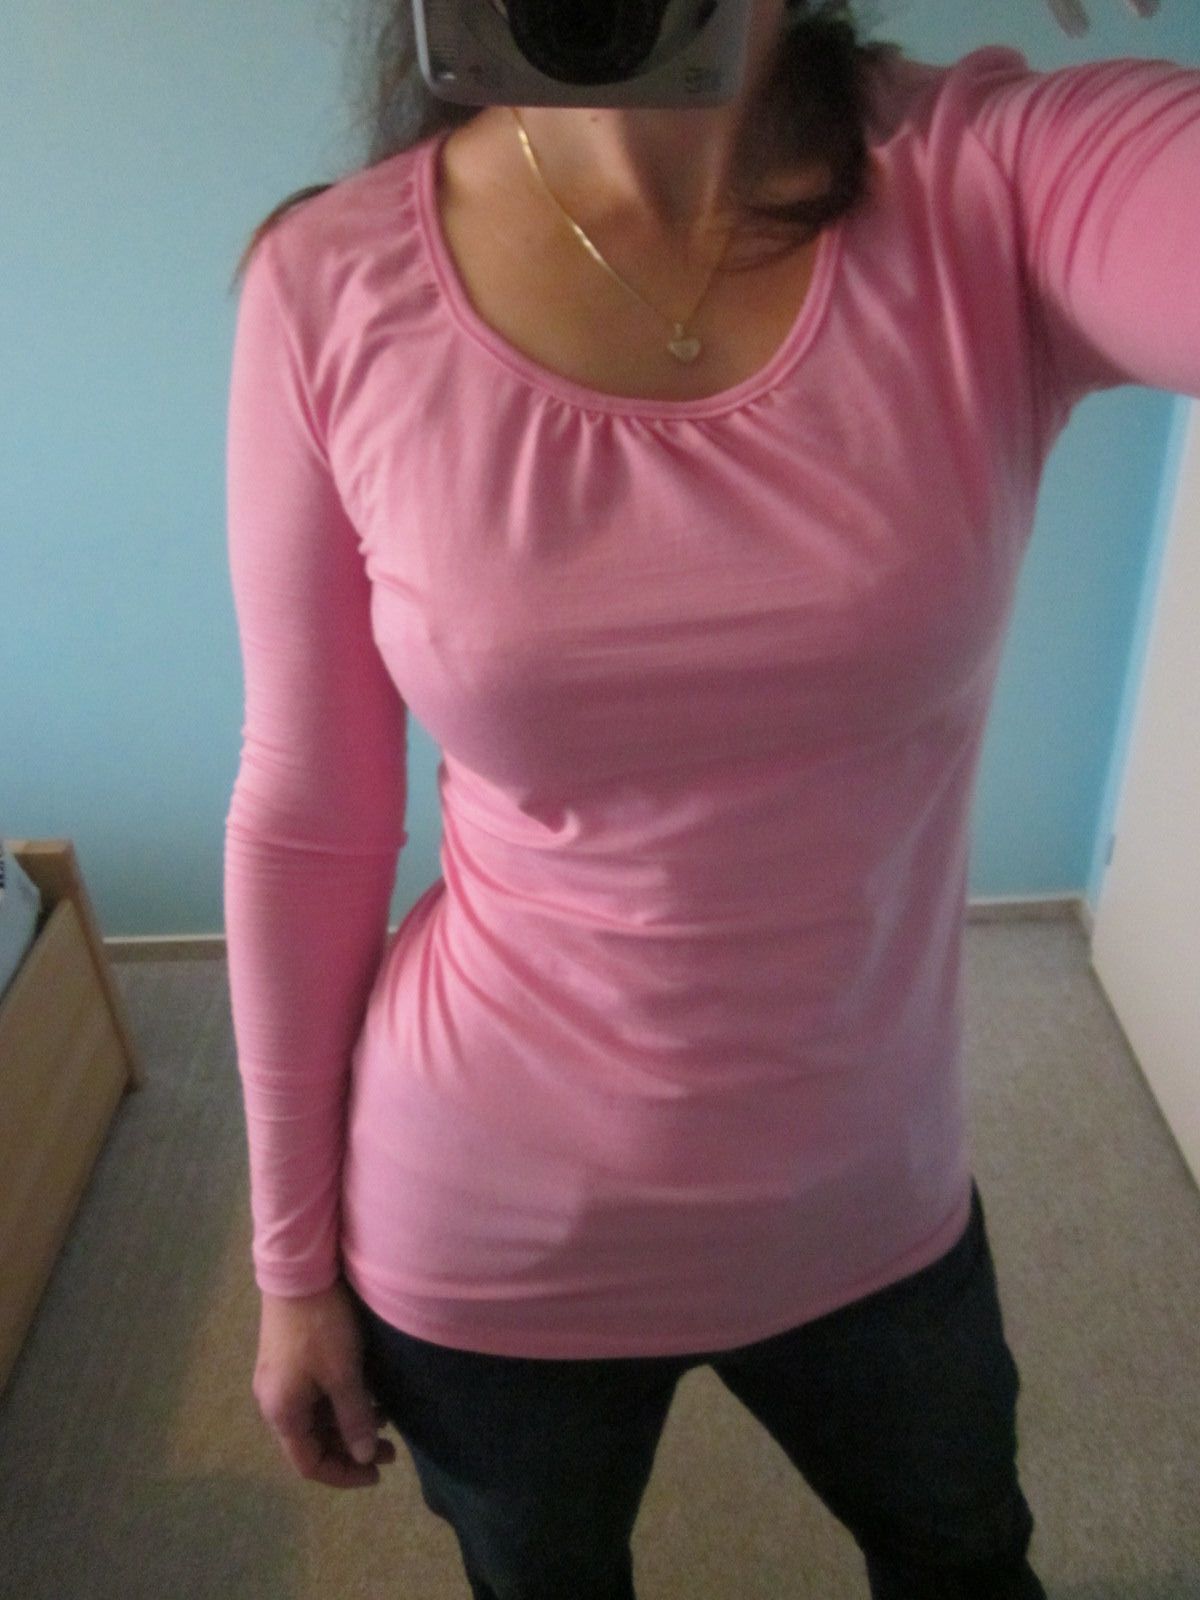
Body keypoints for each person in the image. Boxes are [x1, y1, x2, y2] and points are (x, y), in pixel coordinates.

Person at [223, 1, 1198, 1595]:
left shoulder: (992, 182)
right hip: (484, 1217)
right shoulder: (328, 284)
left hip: (867, 1197)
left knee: (968, 1558)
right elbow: (306, 818)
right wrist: (289, 1264)